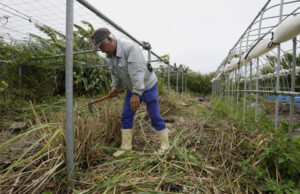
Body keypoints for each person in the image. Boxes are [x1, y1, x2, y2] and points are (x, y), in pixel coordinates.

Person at [91, 28, 170, 157]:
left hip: (147, 86)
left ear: (110, 40)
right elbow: (115, 74)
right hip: (132, 89)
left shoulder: (130, 48)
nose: (102, 50)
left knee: (154, 115)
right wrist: (115, 88)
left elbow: (138, 72)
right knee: (126, 116)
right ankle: (126, 146)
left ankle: (165, 145)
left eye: (101, 46)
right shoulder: (110, 56)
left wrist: (136, 94)